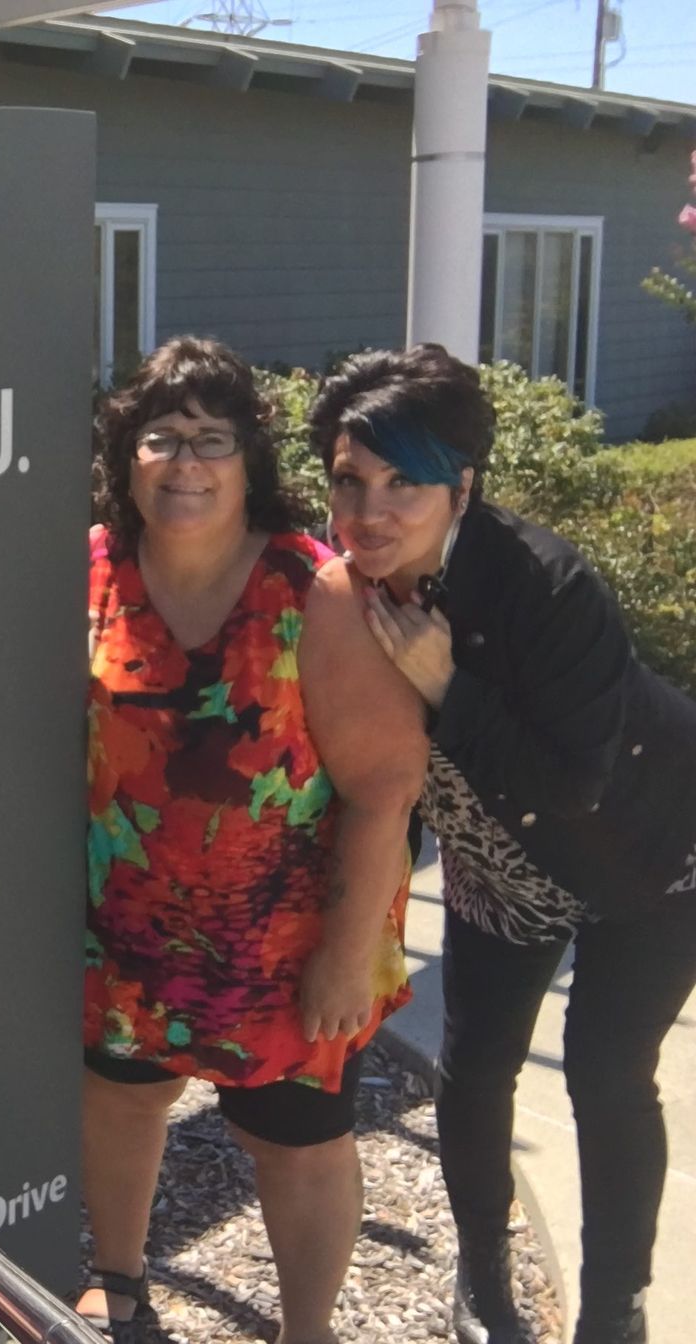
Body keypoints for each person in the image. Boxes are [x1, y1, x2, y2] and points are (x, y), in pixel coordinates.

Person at [309, 344, 696, 1344]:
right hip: (500, 868)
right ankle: (482, 1273)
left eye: (407, 482)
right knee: (475, 1068)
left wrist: (448, 687)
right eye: (351, 480)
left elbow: (578, 782)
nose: (372, 512)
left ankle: (615, 1308)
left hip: (649, 856)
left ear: (462, 486)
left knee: (610, 1075)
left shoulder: (544, 585)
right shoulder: (343, 590)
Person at [81, 337, 426, 1344]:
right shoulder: (92, 570)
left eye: (212, 440)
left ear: (250, 462)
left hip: (287, 941)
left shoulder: (313, 589)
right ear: (126, 455)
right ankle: (118, 1278)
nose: (186, 462)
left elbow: (384, 785)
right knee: (122, 1101)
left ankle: (306, 1330)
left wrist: (347, 955)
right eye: (161, 437)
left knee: (297, 1141)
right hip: (129, 929)